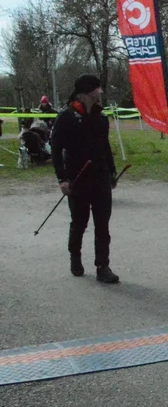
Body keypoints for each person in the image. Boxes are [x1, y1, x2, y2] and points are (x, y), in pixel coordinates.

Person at [50, 74, 119, 283]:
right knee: (79, 222)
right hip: (77, 178)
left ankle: (103, 265)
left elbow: (105, 146)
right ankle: (75, 256)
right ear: (84, 93)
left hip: (100, 177)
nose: (100, 93)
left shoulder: (101, 116)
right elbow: (55, 148)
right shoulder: (67, 116)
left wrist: (112, 172)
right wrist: (62, 178)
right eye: (96, 90)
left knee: (102, 224)